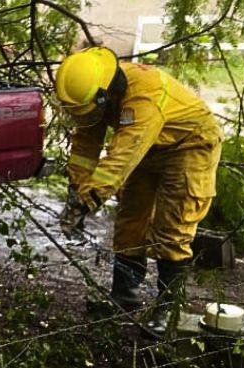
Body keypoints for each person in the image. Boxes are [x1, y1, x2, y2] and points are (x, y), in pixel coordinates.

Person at [53, 47, 223, 331]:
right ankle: (124, 296)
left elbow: (120, 159)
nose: (87, 117)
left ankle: (169, 309)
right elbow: (85, 145)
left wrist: (86, 202)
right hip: (147, 147)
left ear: (104, 95)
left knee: (172, 228)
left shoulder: (144, 98)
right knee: (130, 221)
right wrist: (76, 189)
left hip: (189, 145)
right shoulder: (96, 92)